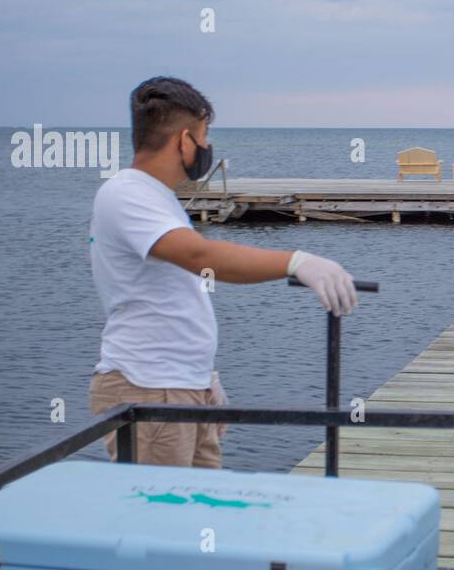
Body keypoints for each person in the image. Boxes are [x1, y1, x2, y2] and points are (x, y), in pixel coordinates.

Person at [88, 76, 358, 466]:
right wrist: (295, 261)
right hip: (149, 386)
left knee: (201, 511)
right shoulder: (126, 193)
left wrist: (203, 375)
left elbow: (172, 293)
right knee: (161, 518)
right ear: (184, 140)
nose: (207, 149)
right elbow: (200, 256)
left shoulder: (158, 199)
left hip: (181, 385)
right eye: (203, 137)